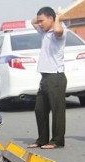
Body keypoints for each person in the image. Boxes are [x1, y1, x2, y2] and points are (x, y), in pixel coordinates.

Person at [28, 7, 67, 149]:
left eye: (42, 21)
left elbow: (58, 31)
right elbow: (32, 22)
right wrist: (42, 19)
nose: (39, 24)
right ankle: (42, 139)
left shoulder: (59, 30)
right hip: (44, 77)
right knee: (40, 109)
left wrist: (57, 18)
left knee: (57, 110)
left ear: (51, 19)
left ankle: (57, 140)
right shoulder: (44, 31)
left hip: (55, 77)